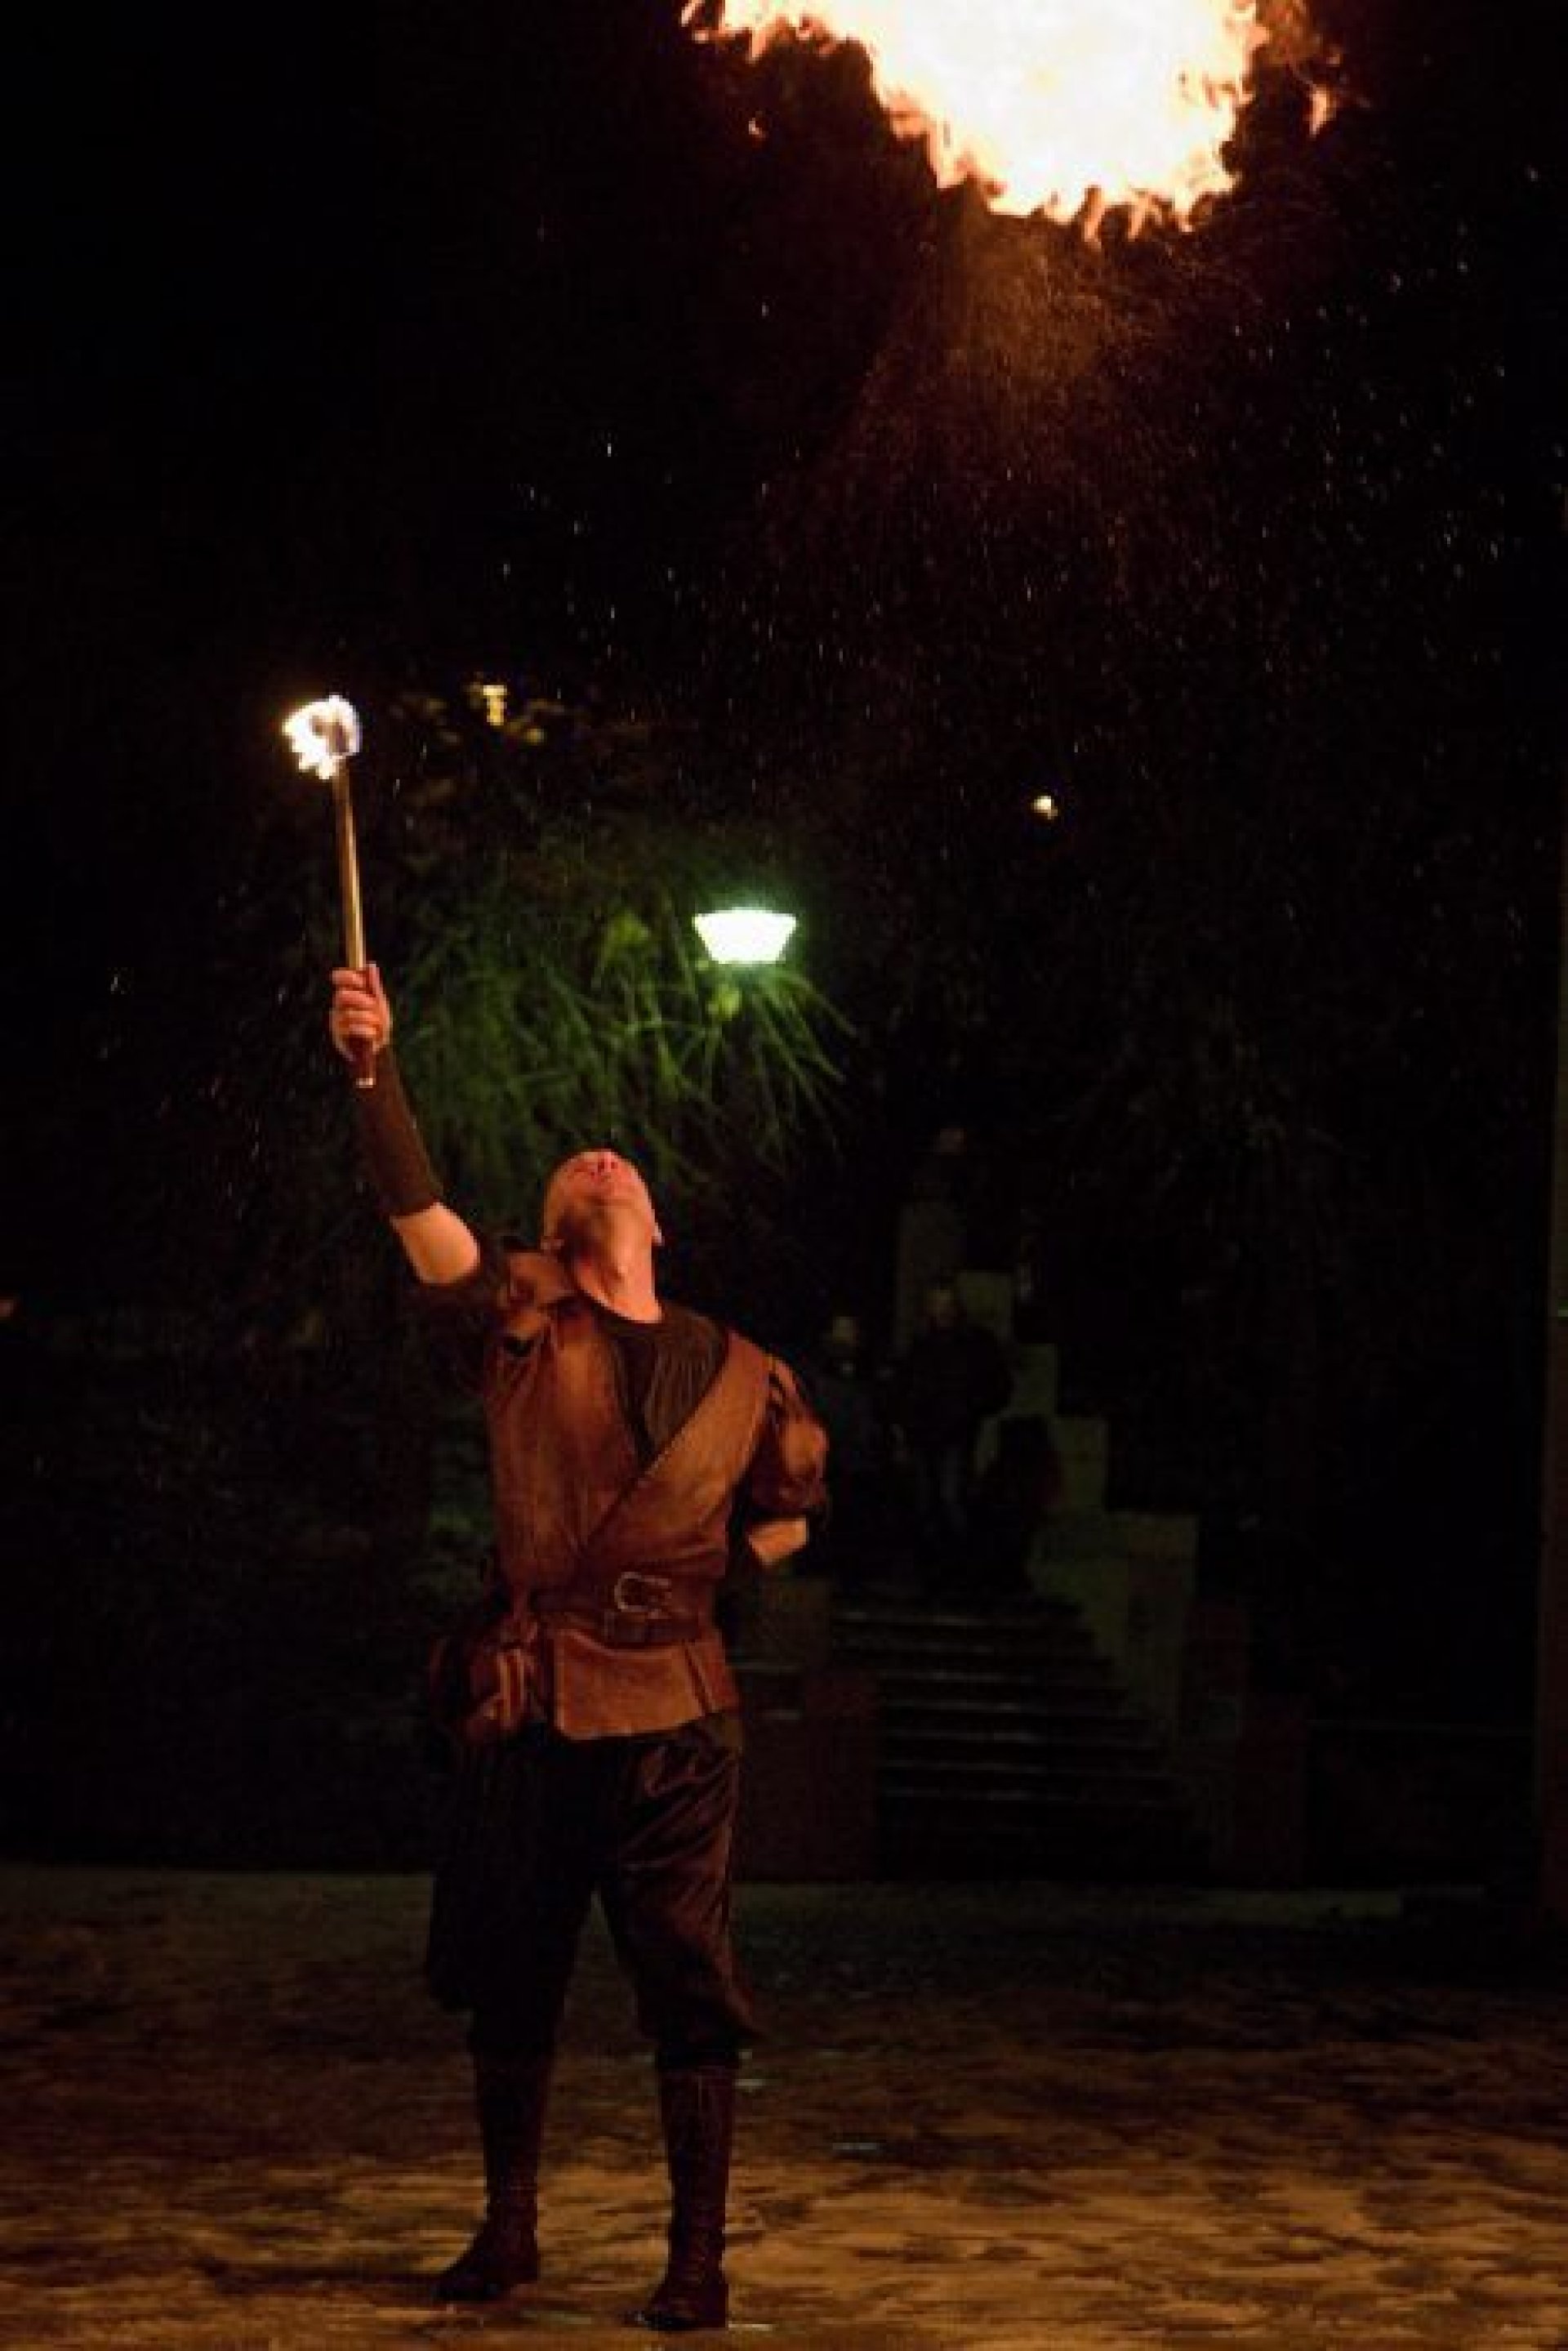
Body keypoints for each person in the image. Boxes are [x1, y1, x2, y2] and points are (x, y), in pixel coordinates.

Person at [328, 961, 828, 2332]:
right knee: (514, 1971)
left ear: (657, 1220)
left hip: (679, 1718)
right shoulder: (519, 1317)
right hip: (535, 1701)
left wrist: (704, 1575)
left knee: (689, 1979)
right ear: (557, 1229)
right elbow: (419, 1220)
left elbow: (792, 1515)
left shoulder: (742, 1370)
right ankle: (509, 2228)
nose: (601, 1160)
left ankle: (696, 2257)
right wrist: (374, 1069)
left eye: (621, 1166)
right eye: (575, 1171)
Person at [888, 1278, 1011, 1577]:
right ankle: (935, 1567)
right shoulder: (921, 1346)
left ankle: (960, 1566)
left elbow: (997, 1386)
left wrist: (971, 1410)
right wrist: (903, 1424)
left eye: (947, 1305)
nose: (942, 1311)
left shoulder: (973, 1345)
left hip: (955, 1435)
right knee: (926, 1503)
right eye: (937, 1305)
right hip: (924, 1436)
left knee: (951, 1499)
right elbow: (904, 1388)